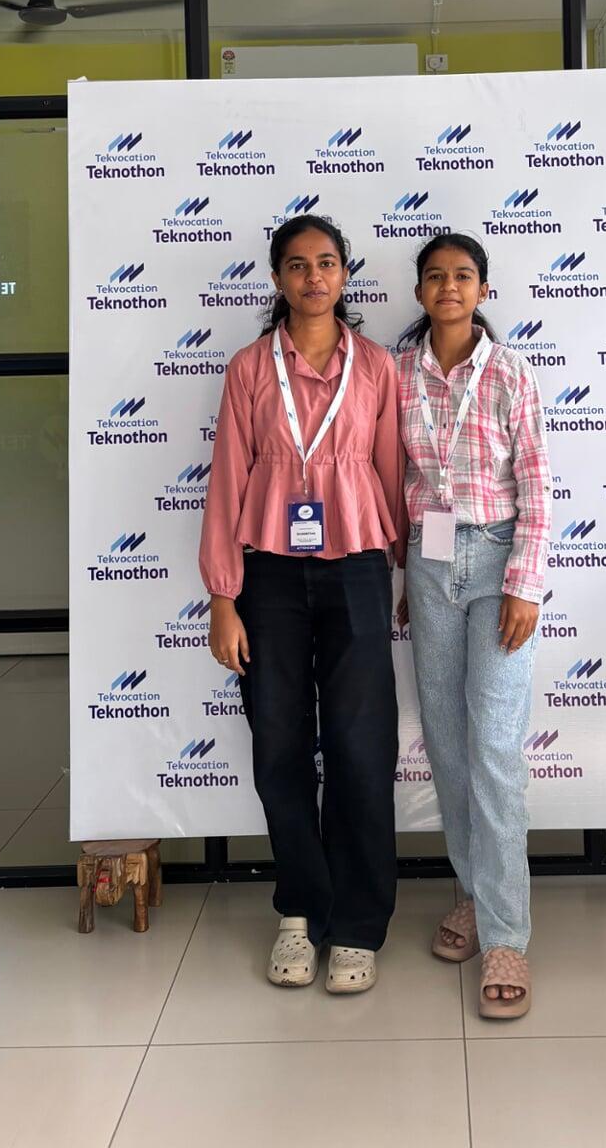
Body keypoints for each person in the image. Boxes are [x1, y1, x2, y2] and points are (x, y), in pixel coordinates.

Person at [200, 214, 403, 994]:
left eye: (326, 263)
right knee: (280, 745)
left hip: (356, 568)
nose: (313, 277)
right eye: (297, 265)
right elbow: (227, 480)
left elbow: (390, 474)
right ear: (278, 278)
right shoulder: (250, 368)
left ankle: (356, 924)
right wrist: (224, 596)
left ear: (344, 274)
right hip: (271, 578)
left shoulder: (375, 366)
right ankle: (300, 908)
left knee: (360, 746)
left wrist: (404, 574)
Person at [396, 232, 551, 1020]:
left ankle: (507, 934)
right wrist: (403, 575)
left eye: (463, 276)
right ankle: (472, 891)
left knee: (493, 746)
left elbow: (538, 482)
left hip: (496, 561)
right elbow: (392, 475)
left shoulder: (511, 372)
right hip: (427, 564)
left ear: (483, 290)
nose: (449, 287)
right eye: (435, 276)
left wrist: (524, 584)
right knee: (449, 743)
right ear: (420, 291)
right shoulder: (399, 373)